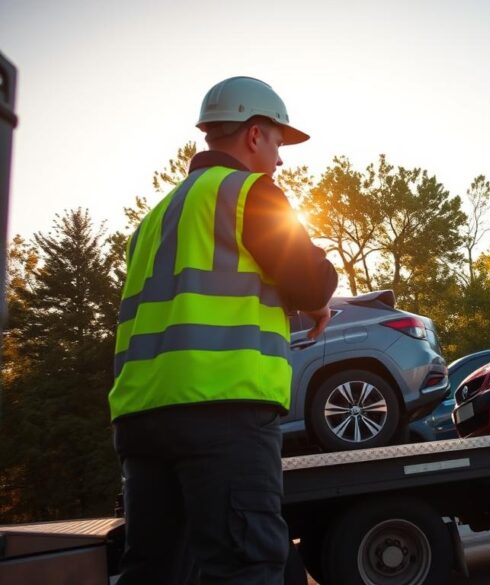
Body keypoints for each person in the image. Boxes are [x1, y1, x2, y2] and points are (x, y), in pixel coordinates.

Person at [109, 76, 337, 584]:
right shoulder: (249, 192)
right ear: (255, 134)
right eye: (278, 142)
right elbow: (311, 281)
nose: (281, 159)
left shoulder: (156, 216)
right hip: (221, 412)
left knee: (154, 570)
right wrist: (318, 295)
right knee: (244, 564)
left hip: (142, 416)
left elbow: (194, 300)